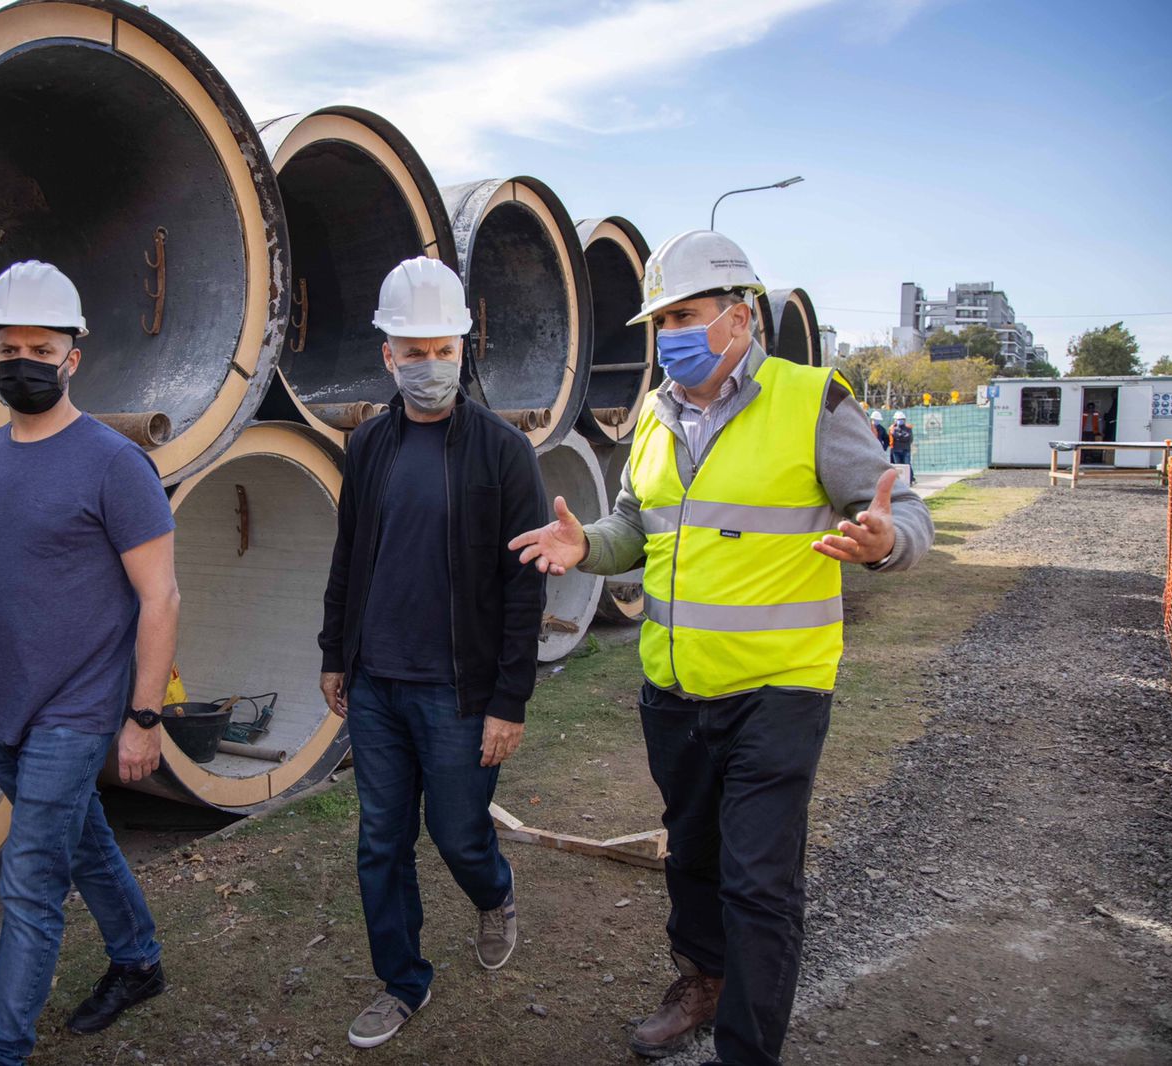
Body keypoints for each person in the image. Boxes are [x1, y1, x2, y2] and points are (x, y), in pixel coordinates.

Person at [508, 231, 934, 1066]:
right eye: (660, 319)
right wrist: (584, 546)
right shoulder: (657, 415)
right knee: (693, 860)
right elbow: (637, 526)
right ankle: (702, 982)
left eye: (687, 314)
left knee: (759, 882)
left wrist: (883, 541)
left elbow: (905, 513)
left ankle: (747, 1050)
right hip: (674, 689)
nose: (669, 333)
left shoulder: (813, 400)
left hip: (778, 691)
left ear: (739, 318)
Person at [0, 261, 179, 1066]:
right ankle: (139, 962)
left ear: (74, 356)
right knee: (82, 838)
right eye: (8, 347)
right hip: (4, 711)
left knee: (30, 881)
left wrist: (143, 717)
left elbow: (161, 598)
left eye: (41, 346)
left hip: (79, 710)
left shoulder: (114, 464)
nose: (22, 361)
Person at [318, 257, 548, 1050]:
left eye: (441, 350)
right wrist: (334, 652)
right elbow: (349, 558)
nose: (428, 366)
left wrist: (508, 701)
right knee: (381, 840)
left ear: (463, 348)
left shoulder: (502, 453)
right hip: (378, 686)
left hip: (459, 694)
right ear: (388, 355)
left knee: (457, 834)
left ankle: (494, 893)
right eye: (411, 352)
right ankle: (402, 980)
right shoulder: (370, 446)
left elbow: (525, 590)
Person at [889, 410, 914, 483]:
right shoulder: (892, 428)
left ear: (904, 420)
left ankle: (910, 480)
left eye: (901, 419)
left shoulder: (908, 428)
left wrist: (897, 435)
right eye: (898, 420)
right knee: (898, 467)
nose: (900, 421)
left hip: (905, 450)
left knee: (907, 465)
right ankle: (899, 482)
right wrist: (899, 435)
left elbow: (908, 437)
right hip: (895, 450)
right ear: (895, 420)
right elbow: (891, 439)